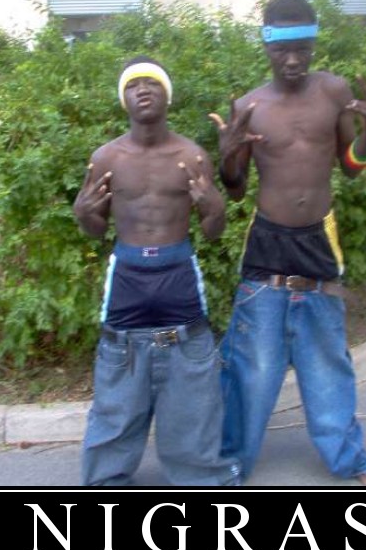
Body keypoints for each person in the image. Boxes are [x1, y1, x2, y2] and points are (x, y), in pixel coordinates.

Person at [209, 0, 366, 486]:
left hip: (318, 241)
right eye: (281, 49)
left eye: (302, 49)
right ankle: (230, 464)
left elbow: (351, 168)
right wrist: (227, 156)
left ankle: (349, 459)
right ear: (265, 45)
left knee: (327, 360)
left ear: (313, 44)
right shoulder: (249, 106)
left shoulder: (333, 92)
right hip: (267, 241)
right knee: (252, 365)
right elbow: (236, 188)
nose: (292, 60)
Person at [74, 56, 241, 487]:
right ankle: (107, 478)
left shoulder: (192, 155)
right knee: (117, 372)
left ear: (167, 95)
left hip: (177, 272)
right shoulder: (106, 157)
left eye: (152, 83)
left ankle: (198, 474)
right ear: (124, 99)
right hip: (127, 276)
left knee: (192, 373)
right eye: (134, 85)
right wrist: (82, 213)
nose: (143, 90)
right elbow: (95, 230)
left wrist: (216, 209)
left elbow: (213, 233)